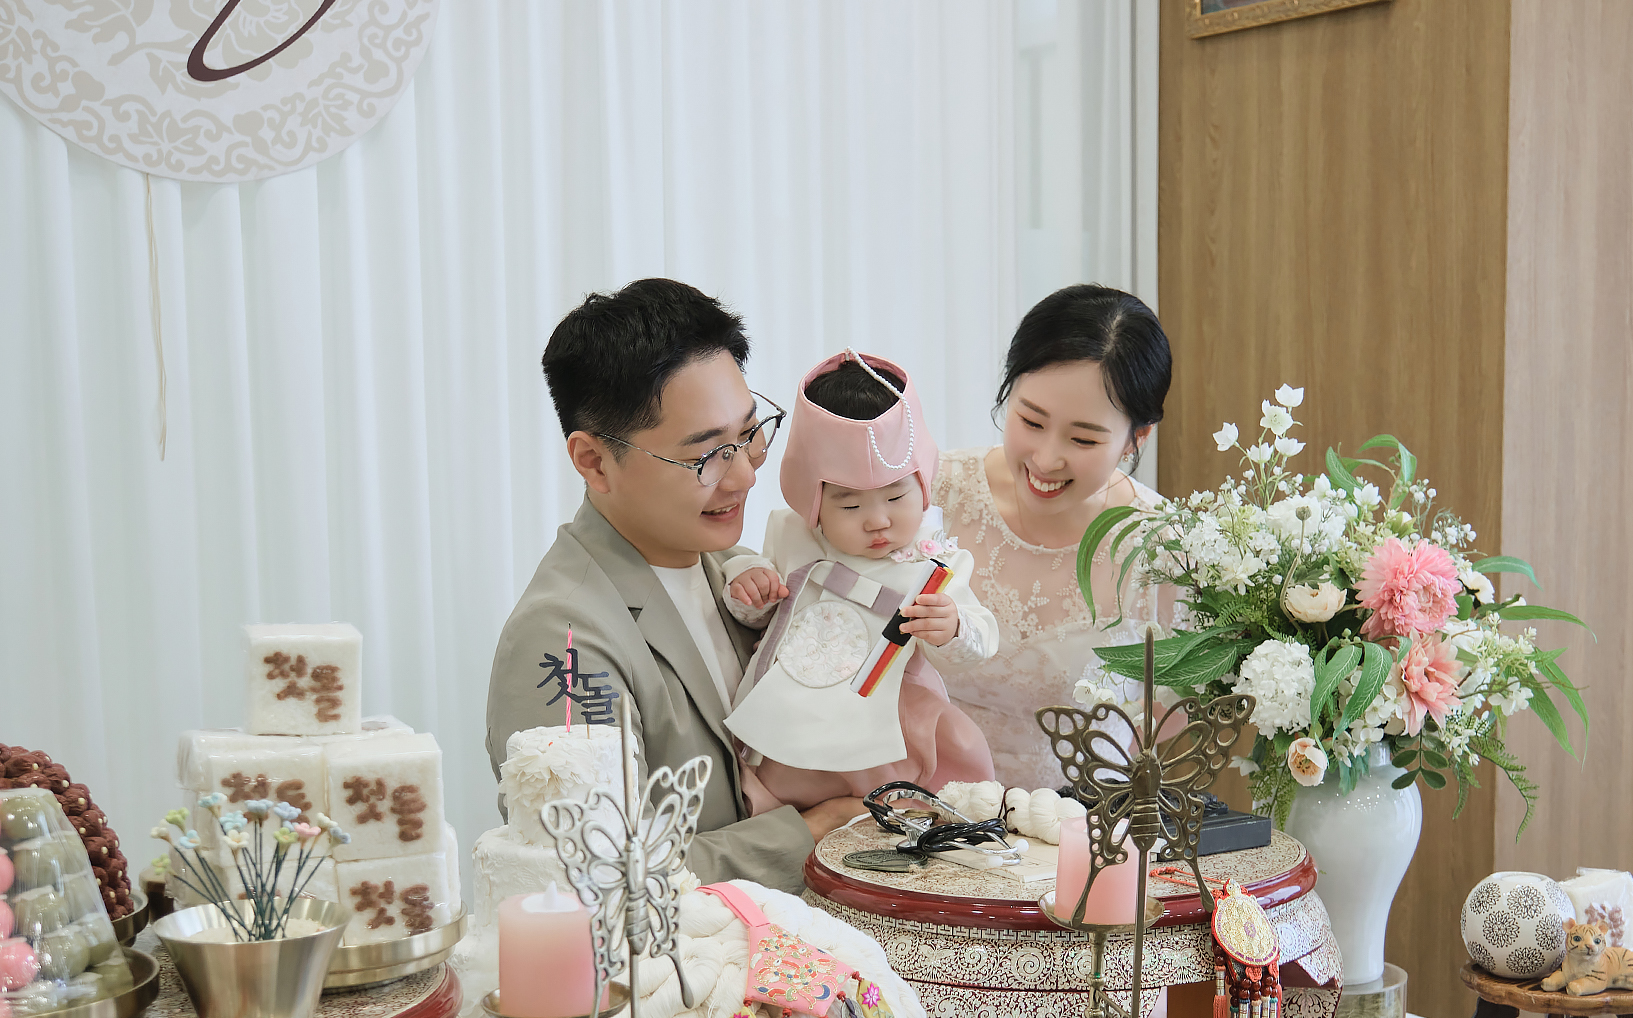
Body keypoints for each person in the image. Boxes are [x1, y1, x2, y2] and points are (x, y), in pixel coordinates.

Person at [485, 280, 865, 892]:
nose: (743, 475)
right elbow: (592, 875)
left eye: (749, 434)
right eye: (704, 456)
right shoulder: (563, 638)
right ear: (593, 461)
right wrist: (809, 833)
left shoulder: (738, 571)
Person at [720, 350, 998, 810]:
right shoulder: (793, 536)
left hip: (892, 717)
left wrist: (951, 628)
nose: (878, 521)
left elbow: (979, 638)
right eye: (850, 505)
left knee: (914, 802)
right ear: (812, 501)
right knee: (784, 798)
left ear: (923, 484)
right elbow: (762, 612)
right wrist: (751, 587)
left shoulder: (937, 561)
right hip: (797, 712)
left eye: (897, 497)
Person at [932, 284, 1177, 789]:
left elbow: (1169, 721)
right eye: (1030, 420)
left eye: (1083, 439)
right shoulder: (935, 495)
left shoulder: (1163, 550)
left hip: (1080, 822)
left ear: (1137, 437)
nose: (1045, 460)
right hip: (917, 808)